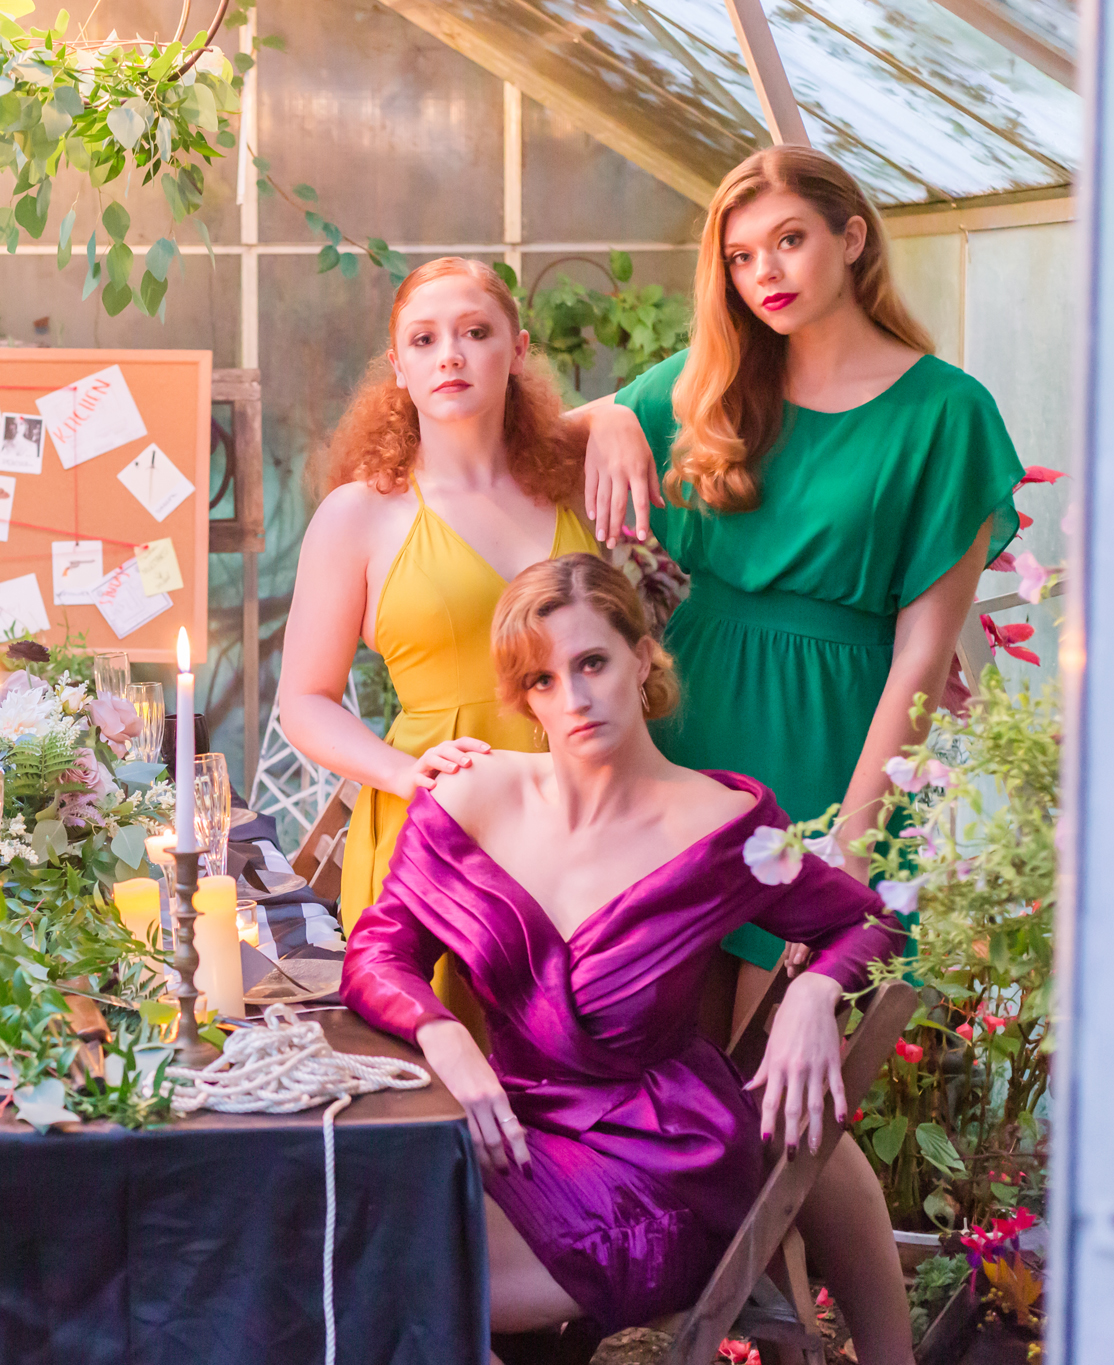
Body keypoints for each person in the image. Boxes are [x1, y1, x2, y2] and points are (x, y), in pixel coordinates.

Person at [342, 554, 910, 1361]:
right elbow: (376, 951)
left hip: (662, 1159)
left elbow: (869, 921)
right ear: (522, 697)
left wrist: (816, 991)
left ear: (641, 659)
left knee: (405, 1277)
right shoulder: (470, 798)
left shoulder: (721, 826)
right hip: (510, 1130)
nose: (572, 698)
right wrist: (443, 1034)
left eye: (592, 663)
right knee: (345, 1227)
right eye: (542, 679)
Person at [572, 146, 1022, 973]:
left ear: (850, 238)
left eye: (788, 240)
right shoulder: (705, 382)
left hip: (840, 739)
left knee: (798, 1026)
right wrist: (608, 417)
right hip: (688, 726)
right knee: (661, 1028)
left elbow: (921, 657)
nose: (764, 274)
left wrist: (852, 847)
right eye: (739, 257)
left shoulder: (946, 412)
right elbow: (524, 445)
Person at [276, 256, 600, 951]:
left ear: (517, 351)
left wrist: (622, 421)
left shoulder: (574, 485)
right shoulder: (360, 514)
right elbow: (303, 701)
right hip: (438, 827)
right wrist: (402, 773)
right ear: (399, 367)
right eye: (423, 340)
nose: (450, 354)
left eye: (475, 332)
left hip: (584, 821)